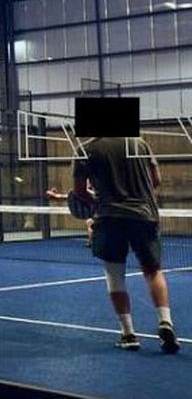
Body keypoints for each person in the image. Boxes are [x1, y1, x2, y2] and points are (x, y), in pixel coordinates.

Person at [71, 136, 178, 353]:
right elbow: (155, 179)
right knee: (153, 271)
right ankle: (165, 321)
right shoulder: (139, 143)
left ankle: (128, 334)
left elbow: (80, 191)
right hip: (144, 216)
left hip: (109, 218)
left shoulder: (85, 150)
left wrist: (100, 199)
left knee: (114, 275)